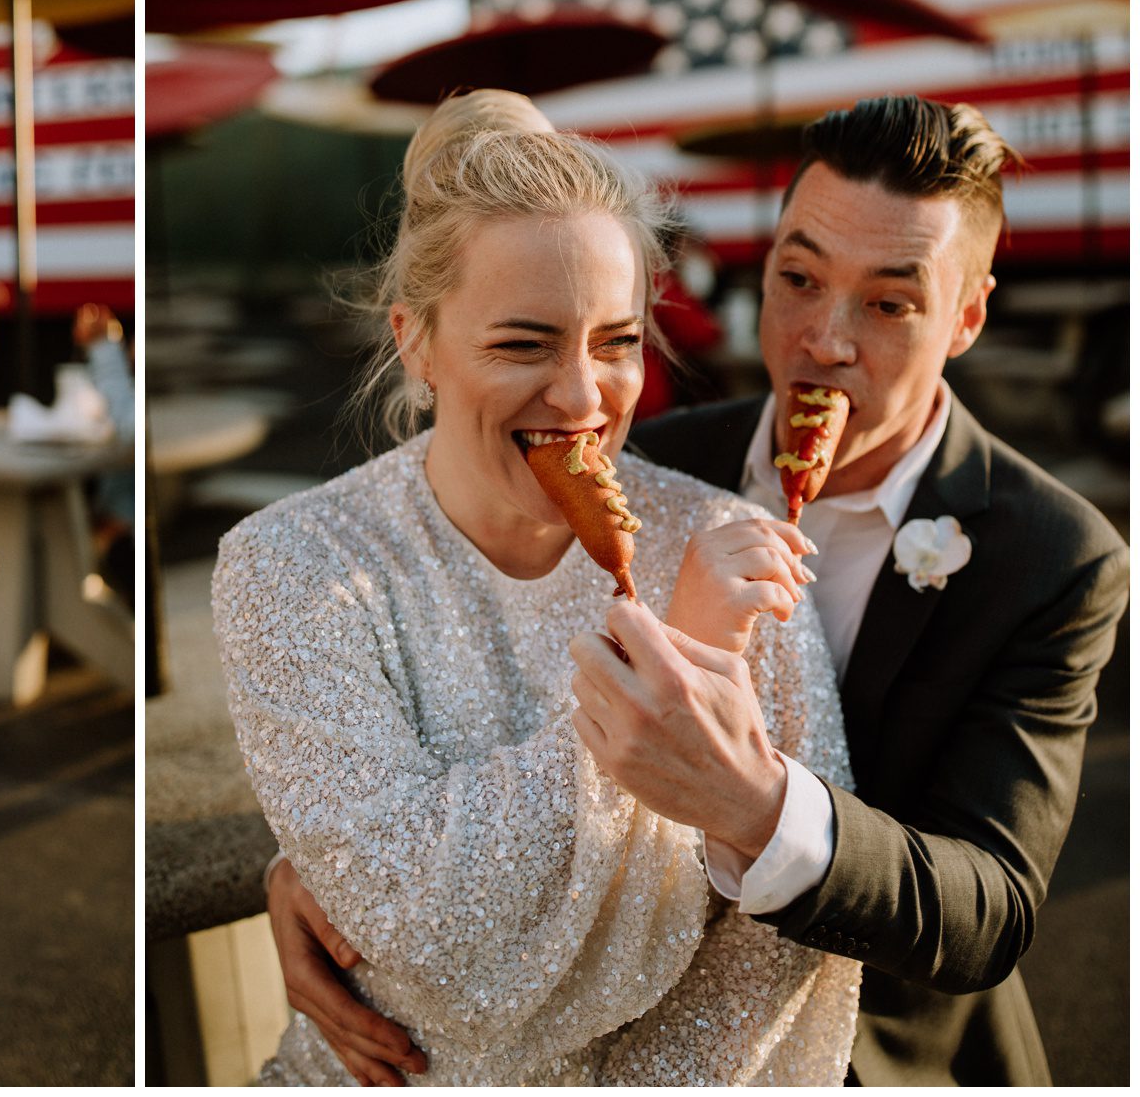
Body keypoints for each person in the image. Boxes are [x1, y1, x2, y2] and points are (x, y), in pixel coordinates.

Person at [265, 95, 1129, 1085]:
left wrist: (758, 809)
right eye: (796, 280)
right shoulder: (648, 466)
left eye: (888, 303)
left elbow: (991, 908)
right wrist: (317, 857)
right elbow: (470, 671)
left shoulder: (1055, 555)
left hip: (876, 1050)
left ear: (966, 315)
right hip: (619, 1037)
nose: (823, 340)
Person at [213, 90, 860, 1084]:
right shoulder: (289, 566)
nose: (579, 397)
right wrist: (676, 669)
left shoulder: (724, 547)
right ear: (414, 340)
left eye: (615, 341)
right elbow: (412, 931)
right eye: (521, 343)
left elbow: (779, 959)